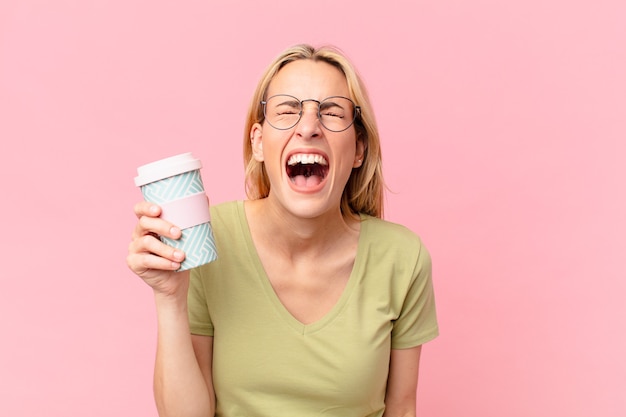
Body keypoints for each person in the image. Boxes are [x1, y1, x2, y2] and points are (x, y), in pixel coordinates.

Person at [127, 43, 438, 417]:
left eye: (332, 112)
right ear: (258, 142)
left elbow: (402, 410)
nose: (308, 127)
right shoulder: (210, 239)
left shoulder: (401, 257)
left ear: (358, 149)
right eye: (288, 110)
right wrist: (169, 297)